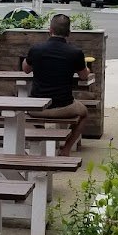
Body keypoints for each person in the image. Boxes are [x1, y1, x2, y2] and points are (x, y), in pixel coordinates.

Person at [23, 13, 92, 154]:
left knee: (26, 112)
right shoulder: (75, 53)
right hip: (63, 107)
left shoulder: (36, 49)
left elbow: (25, 69)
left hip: (36, 107)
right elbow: (84, 76)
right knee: (84, 113)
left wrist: (32, 58)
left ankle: (40, 142)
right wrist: (86, 67)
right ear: (68, 33)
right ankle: (66, 149)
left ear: (50, 30)